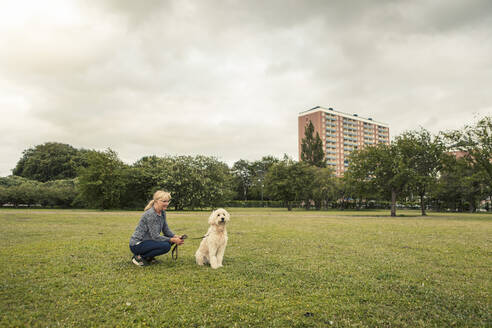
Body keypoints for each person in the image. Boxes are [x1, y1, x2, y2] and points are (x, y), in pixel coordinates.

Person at [129, 190, 184, 266]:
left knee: (169, 241)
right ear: (156, 201)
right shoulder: (151, 214)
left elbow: (166, 230)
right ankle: (139, 257)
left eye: (168, 201)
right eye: (164, 201)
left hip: (148, 242)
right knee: (166, 246)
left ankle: (149, 257)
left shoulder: (162, 212)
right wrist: (173, 239)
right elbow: (155, 236)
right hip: (137, 245)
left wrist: (175, 236)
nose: (167, 204)